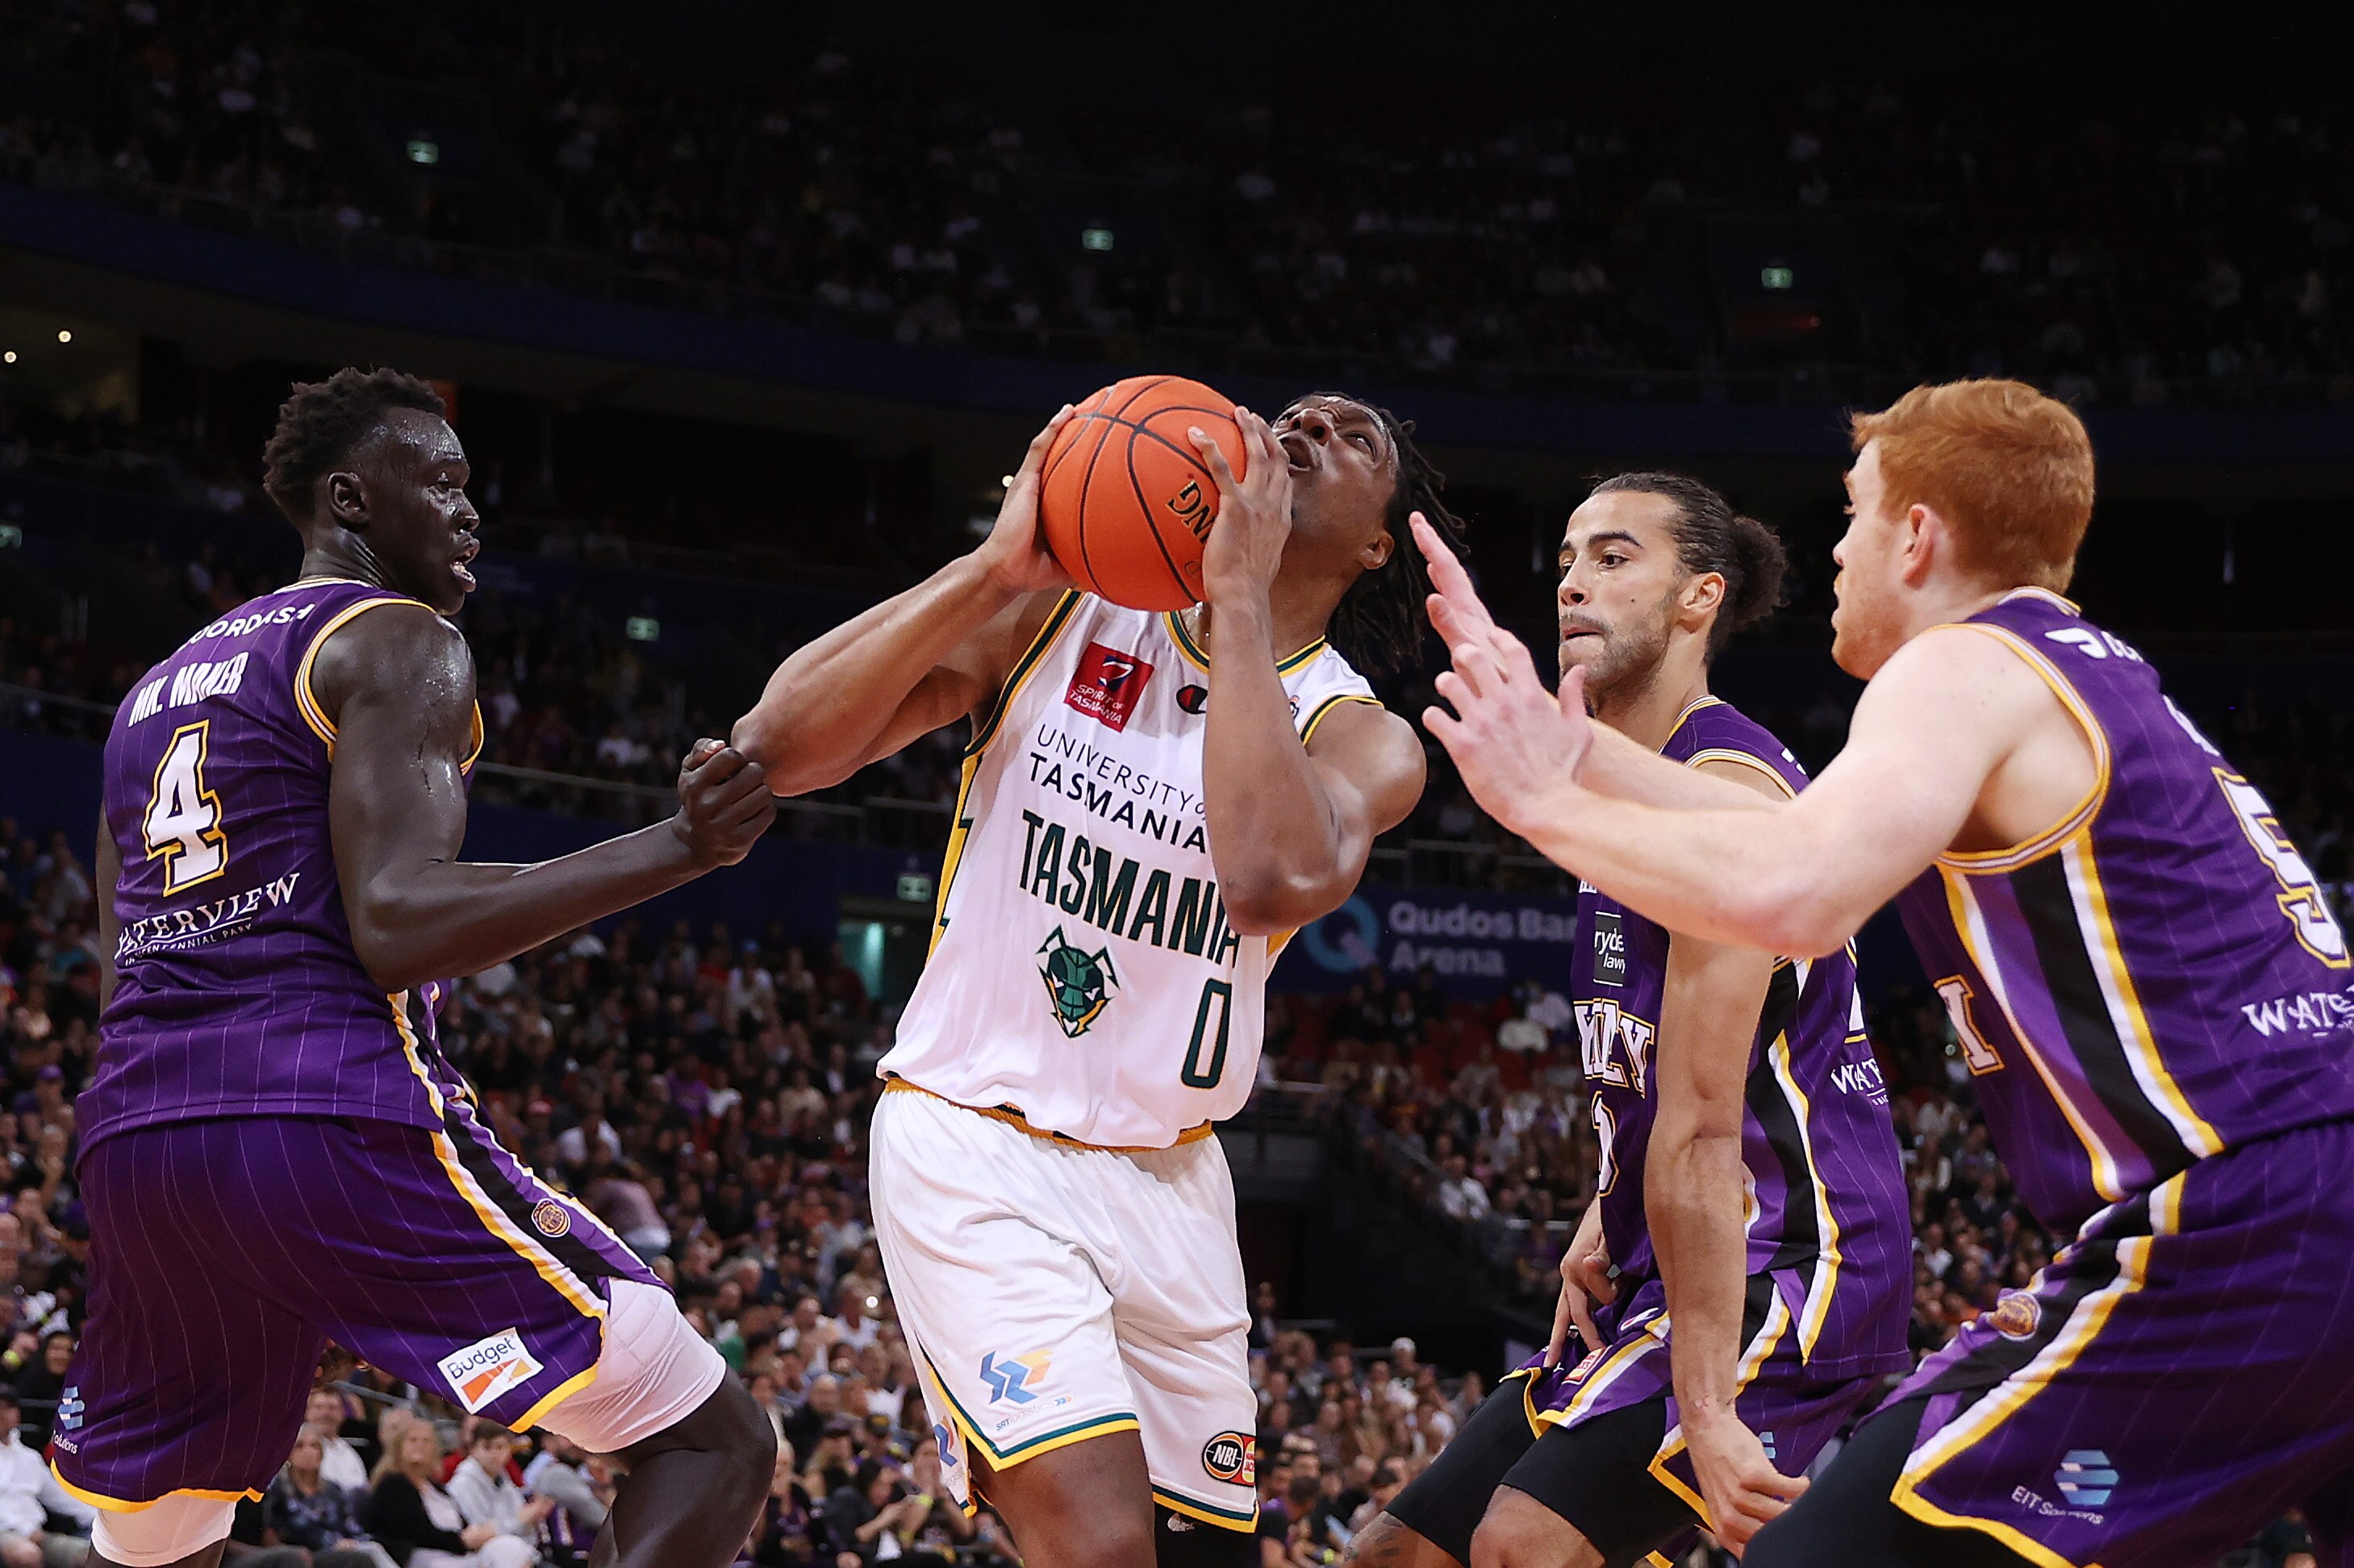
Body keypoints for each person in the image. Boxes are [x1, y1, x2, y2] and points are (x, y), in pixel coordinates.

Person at [1417, 378, 2354, 1568]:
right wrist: (1574, 750)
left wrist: (1539, 798)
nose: (1838, 552)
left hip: (2247, 1211)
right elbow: (1776, 829)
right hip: (2309, 1195)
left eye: (1853, 515)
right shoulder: (2081, 668)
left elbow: (1793, 895)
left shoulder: (1962, 661)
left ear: (1917, 535)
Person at [54, 367, 778, 1568]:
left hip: (140, 1148)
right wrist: (680, 846)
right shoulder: (395, 638)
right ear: (350, 497)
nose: (468, 509)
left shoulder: (147, 698)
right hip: (323, 1116)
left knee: (164, 1535)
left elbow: (114, 965)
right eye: (438, 480)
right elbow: (397, 920)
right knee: (712, 1442)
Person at [733, 393, 1462, 1566]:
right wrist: (993, 567)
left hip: (1171, 1186)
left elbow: (1271, 878)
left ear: (1376, 543)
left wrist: (1235, 598)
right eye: (1298, 415)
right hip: (978, 1140)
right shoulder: (1060, 615)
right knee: (1101, 1546)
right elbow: (777, 747)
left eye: (1355, 435)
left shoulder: (1358, 734)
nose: (1311, 425)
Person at [1358, 473, 1913, 1568]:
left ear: (1698, 597)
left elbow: (1710, 1125)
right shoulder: (1618, 790)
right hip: (1671, 1262)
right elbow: (1649, 1074)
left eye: (1614, 559)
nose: (1572, 584)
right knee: (1397, 1553)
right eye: (1566, 560)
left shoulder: (1728, 792)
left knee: (1525, 1545)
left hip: (1789, 1263)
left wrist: (1705, 1410)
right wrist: (1602, 1217)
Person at [361, 1424, 525, 1568]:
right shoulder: (393, 1483)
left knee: (510, 1548)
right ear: (399, 1447)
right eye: (413, 1440)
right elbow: (417, 1532)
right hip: (421, 1556)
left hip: (456, 1551)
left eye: (426, 1441)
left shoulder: (435, 1487)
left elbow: (462, 1524)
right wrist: (461, 1541)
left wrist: (475, 1535)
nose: (420, 1445)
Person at [264, 1428, 388, 1568]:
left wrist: (356, 1542)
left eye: (314, 1446)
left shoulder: (333, 1490)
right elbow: (293, 1529)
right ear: (288, 1453)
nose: (308, 1452)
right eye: (300, 1446)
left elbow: (349, 1525)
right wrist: (334, 1543)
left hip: (339, 1548)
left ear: (321, 1453)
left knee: (372, 1548)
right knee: (360, 1558)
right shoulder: (279, 1489)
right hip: (302, 1553)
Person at [2, 1386, 93, 1568]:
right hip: (7, 1533)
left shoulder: (29, 1457)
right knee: (28, 1555)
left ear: (17, 1414)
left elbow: (60, 1497)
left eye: (7, 1408)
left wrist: (101, 1516)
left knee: (89, 1556)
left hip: (38, 1534)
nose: (2, 1414)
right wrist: (25, 1531)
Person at [440, 1429, 550, 1554]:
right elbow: (481, 1534)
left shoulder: (503, 1478)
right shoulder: (462, 1483)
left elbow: (521, 1517)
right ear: (473, 1449)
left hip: (521, 1551)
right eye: (487, 1448)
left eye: (500, 1447)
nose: (494, 1454)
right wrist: (521, 1519)